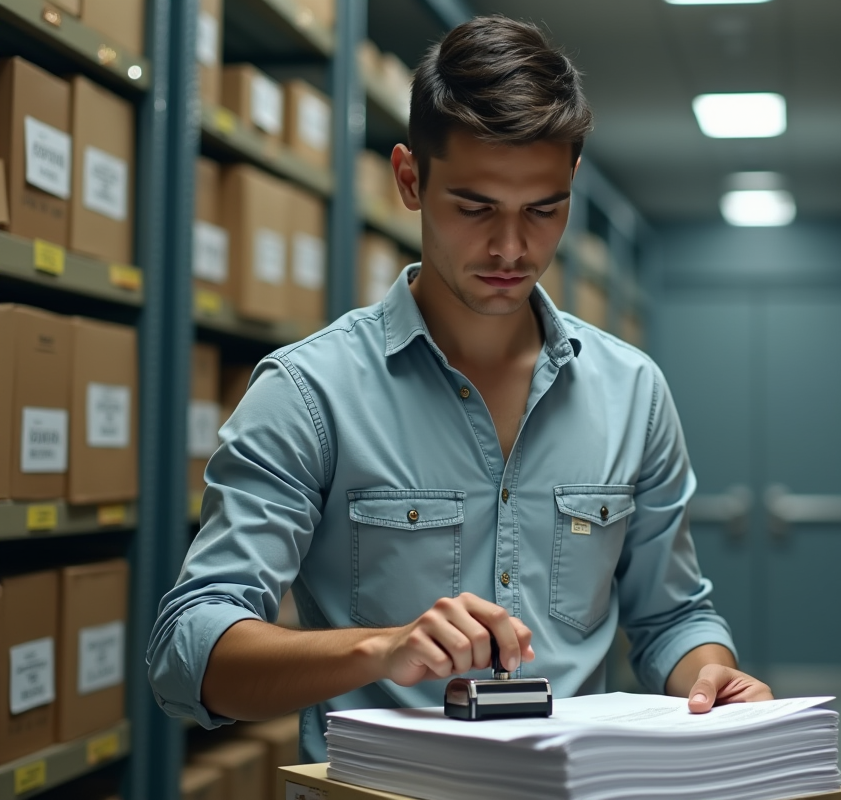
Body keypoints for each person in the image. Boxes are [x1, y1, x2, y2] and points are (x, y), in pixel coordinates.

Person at [147, 14, 772, 762]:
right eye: (475, 208)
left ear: (571, 182)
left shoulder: (633, 392)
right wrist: (380, 649)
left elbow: (672, 619)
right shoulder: (309, 393)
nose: (511, 247)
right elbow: (187, 654)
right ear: (410, 179)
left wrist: (714, 678)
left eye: (544, 210)